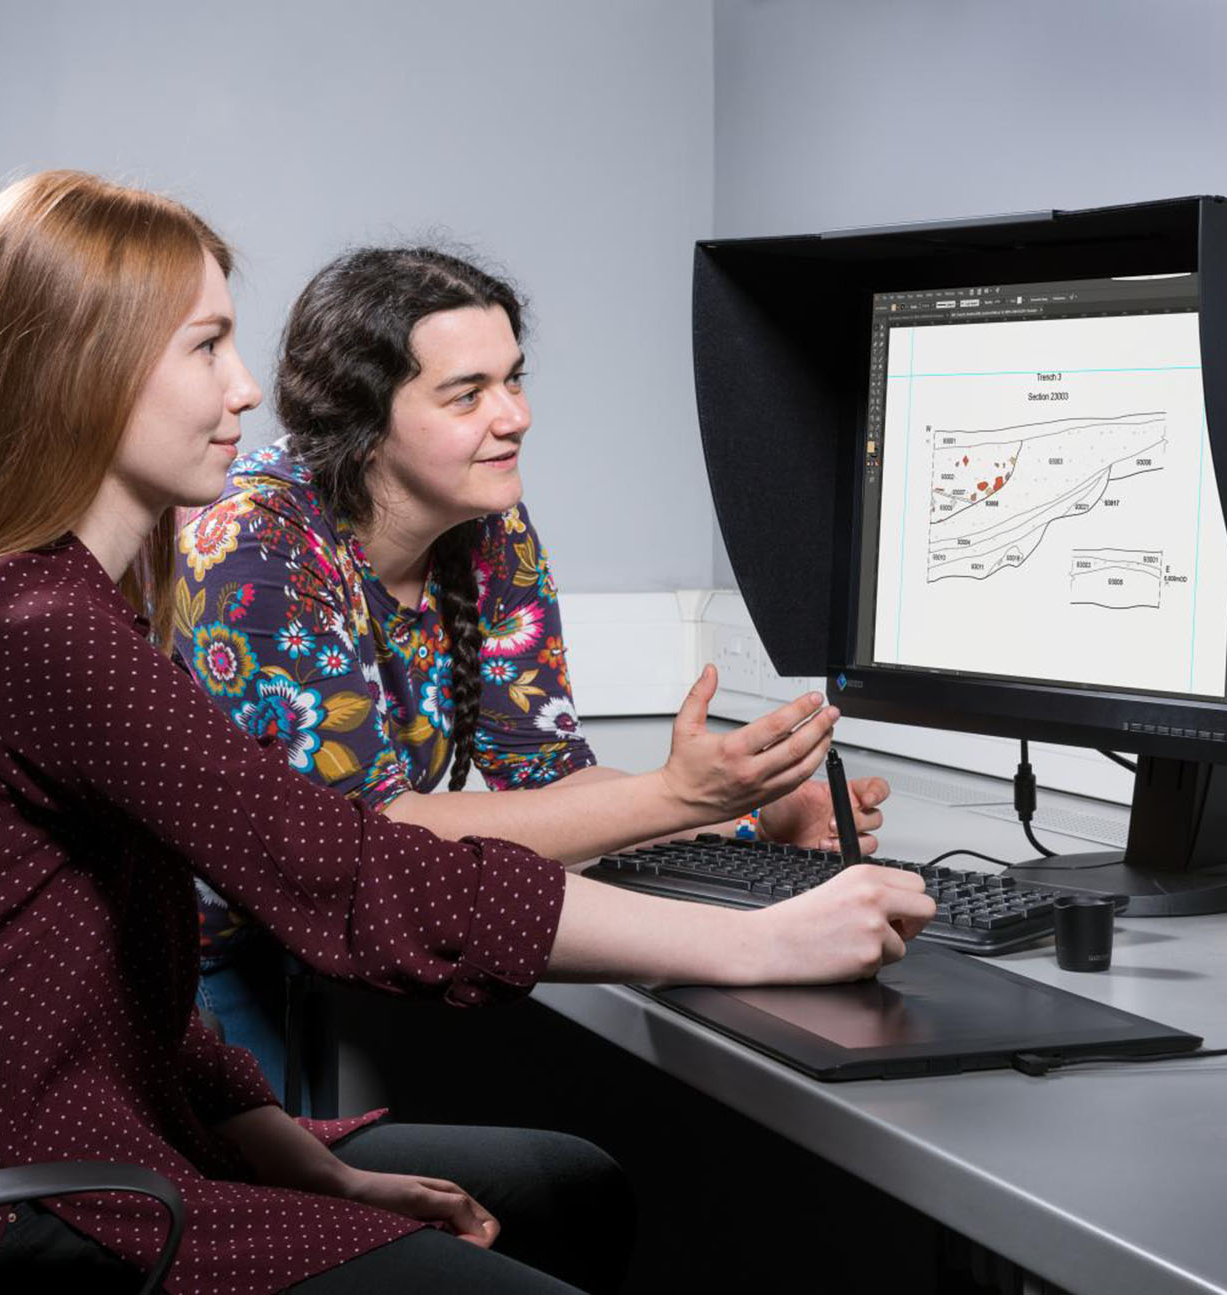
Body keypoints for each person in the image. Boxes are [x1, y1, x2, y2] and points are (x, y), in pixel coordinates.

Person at [0, 171, 934, 1295]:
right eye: (205, 345)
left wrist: (304, 1162)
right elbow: (346, 864)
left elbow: (125, 967)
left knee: (570, 1190)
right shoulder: (29, 621)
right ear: (82, 371)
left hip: (108, 1131)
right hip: (12, 1204)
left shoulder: (86, 597)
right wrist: (752, 941)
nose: (242, 389)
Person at [179, 246, 893, 1086]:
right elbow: (370, 842)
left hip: (346, 955)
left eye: (513, 380)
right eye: (467, 393)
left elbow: (550, 781)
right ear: (362, 418)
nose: (513, 416)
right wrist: (677, 796)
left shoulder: (489, 527)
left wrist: (740, 821)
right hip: (202, 973)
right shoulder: (253, 547)